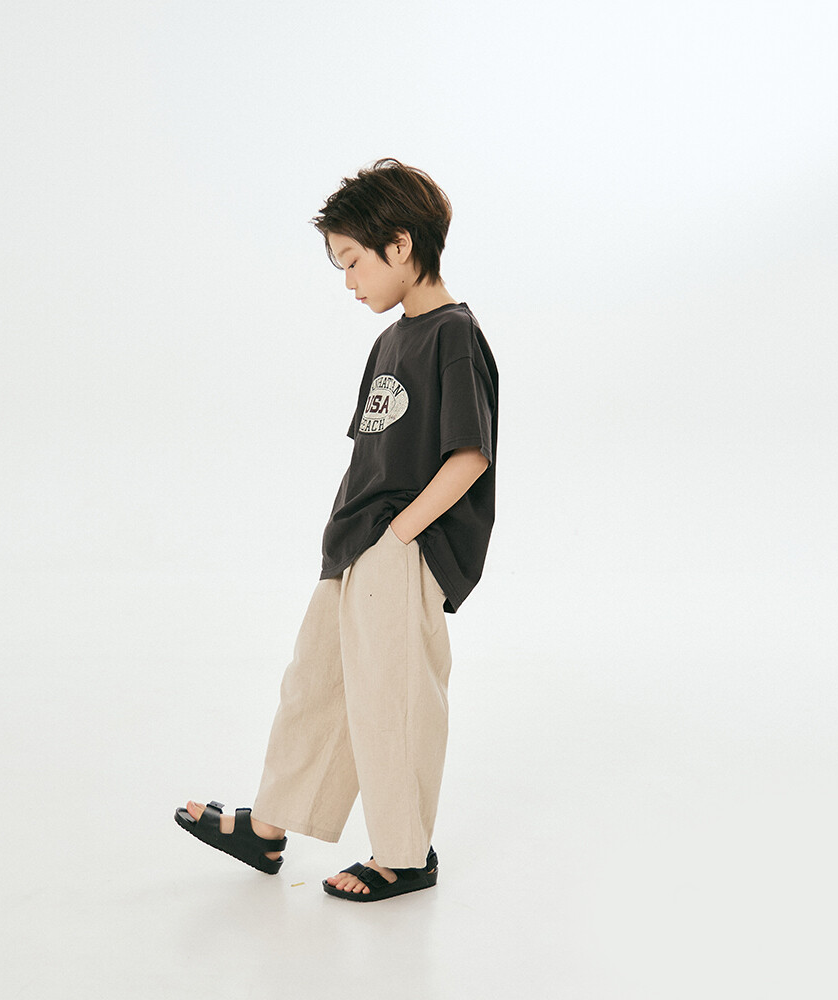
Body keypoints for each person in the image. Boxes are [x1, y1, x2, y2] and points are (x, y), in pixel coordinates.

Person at [175, 158, 498, 901]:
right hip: (355, 545)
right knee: (316, 685)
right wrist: (352, 541)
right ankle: (269, 828)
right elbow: (371, 454)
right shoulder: (390, 343)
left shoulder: (454, 335)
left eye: (353, 261)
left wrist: (400, 537)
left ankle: (405, 856)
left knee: (394, 699)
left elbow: (470, 456)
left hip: (402, 548)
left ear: (401, 245)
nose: (348, 280)